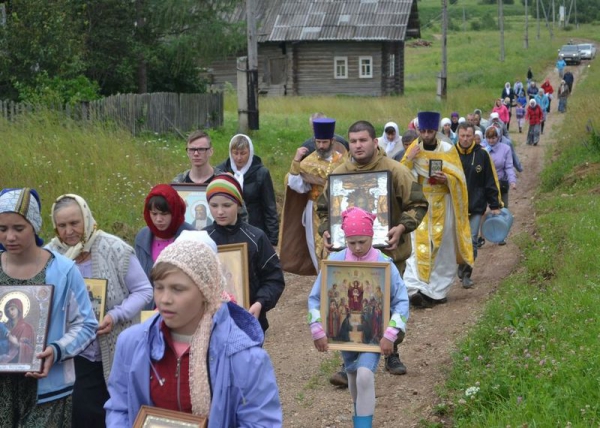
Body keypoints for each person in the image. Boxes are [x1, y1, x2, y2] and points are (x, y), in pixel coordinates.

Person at [104, 232, 283, 427]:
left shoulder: (243, 356)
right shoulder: (132, 343)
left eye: (177, 289)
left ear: (205, 290)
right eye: (159, 287)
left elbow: (261, 422)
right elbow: (119, 408)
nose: (164, 299)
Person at [316, 120, 428, 378]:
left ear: (375, 142)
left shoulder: (396, 171)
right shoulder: (339, 174)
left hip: (388, 252)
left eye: (363, 140)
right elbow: (323, 209)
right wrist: (327, 230)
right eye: (353, 141)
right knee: (351, 305)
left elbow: (419, 204)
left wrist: (400, 228)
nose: (358, 145)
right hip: (349, 254)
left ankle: (392, 352)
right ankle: (350, 362)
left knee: (386, 305)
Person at [48, 194, 153, 427]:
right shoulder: (50, 256)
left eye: (74, 223)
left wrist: (116, 315)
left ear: (86, 217)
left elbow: (144, 290)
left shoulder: (115, 249)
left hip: (115, 349)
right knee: (82, 415)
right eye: (62, 225)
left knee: (117, 413)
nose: (69, 231)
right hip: (75, 354)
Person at [0, 188, 97, 426]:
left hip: (47, 392)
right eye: (2, 229)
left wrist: (56, 350)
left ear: (35, 226)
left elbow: (86, 324)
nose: (10, 237)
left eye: (18, 228)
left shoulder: (62, 270)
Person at [308, 207, 409, 428]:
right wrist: (317, 328)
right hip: (345, 332)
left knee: (365, 374)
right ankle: (359, 417)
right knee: (353, 375)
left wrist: (391, 333)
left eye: (362, 241)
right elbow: (316, 298)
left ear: (372, 236)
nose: (357, 247)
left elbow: (401, 300)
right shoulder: (335, 262)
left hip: (373, 332)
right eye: (351, 242)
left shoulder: (384, 264)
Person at [400, 112, 473, 308]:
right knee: (417, 247)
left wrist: (447, 179)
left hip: (443, 202)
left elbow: (460, 179)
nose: (426, 134)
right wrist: (409, 160)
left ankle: (437, 291)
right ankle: (415, 289)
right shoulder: (413, 149)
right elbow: (401, 177)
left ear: (436, 131)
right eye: (422, 131)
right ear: (418, 130)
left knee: (442, 248)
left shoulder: (448, 149)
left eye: (429, 131)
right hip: (421, 204)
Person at [204, 174, 285, 333]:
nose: (220, 211)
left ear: (238, 204)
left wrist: (260, 302)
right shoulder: (203, 240)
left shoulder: (256, 237)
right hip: (211, 326)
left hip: (250, 321)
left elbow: (274, 278)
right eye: (214, 205)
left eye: (227, 205)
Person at [280, 117, 345, 275]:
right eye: (318, 142)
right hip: (313, 209)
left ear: (332, 141)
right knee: (316, 248)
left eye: (325, 142)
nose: (321, 146)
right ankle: (322, 284)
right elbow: (296, 185)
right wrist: (296, 160)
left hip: (338, 210)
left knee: (337, 248)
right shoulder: (308, 161)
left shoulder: (343, 161)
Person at [455, 123, 503, 287]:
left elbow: (491, 180)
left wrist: (495, 204)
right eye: (462, 136)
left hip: (476, 205)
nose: (466, 139)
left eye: (469, 136)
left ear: (474, 136)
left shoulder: (482, 154)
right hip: (455, 207)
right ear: (458, 136)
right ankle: (460, 264)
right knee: (458, 241)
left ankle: (467, 272)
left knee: (473, 240)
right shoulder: (451, 154)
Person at [216, 134, 279, 247]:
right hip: (227, 231)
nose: (239, 158)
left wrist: (272, 240)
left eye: (243, 153)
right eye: (235, 153)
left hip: (254, 229)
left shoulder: (261, 173)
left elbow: (269, 208)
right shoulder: (221, 171)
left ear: (250, 152)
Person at [135, 184, 196, 291]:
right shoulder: (142, 237)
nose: (158, 219)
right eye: (154, 214)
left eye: (164, 214)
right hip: (148, 304)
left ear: (174, 212)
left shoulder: (191, 236)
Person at [481, 126, 517, 246]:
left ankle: (501, 235)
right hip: (485, 185)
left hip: (501, 184)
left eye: (493, 137)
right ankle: (483, 236)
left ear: (498, 137)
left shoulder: (505, 149)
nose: (491, 140)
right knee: (483, 210)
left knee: (502, 209)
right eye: (488, 138)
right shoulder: (483, 149)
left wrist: (512, 181)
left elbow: (508, 166)